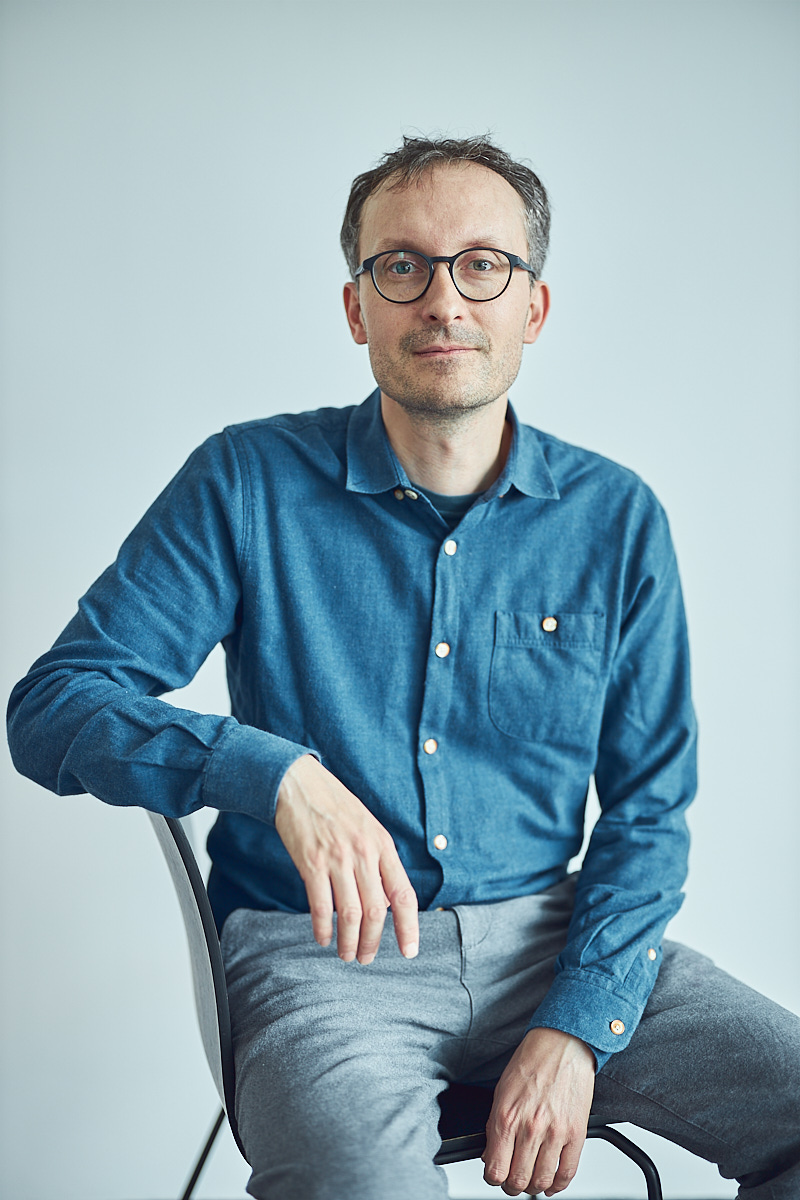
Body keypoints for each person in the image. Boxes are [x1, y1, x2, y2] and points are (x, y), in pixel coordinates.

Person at [7, 135, 800, 1200]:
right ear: (357, 308)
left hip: (556, 942)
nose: (442, 299)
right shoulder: (245, 480)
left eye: (482, 265)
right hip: (319, 960)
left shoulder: (617, 519)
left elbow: (649, 813)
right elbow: (52, 707)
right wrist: (272, 772)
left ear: (533, 306)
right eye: (401, 266)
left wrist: (577, 1026)